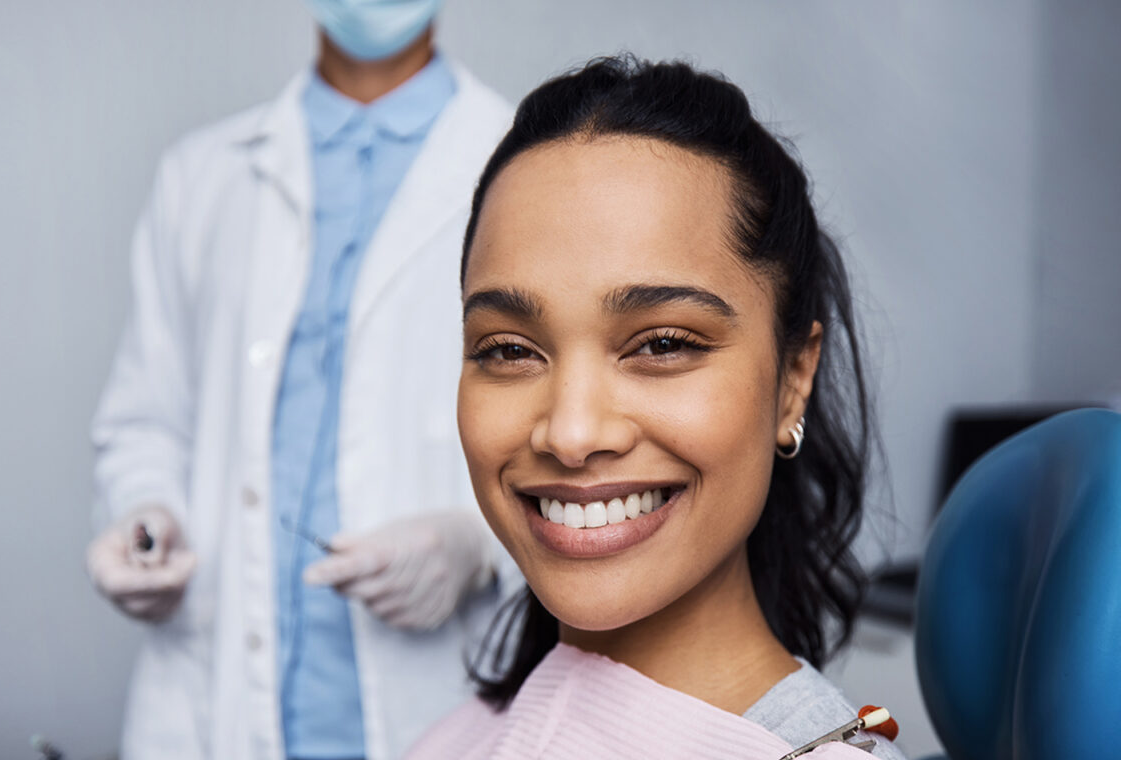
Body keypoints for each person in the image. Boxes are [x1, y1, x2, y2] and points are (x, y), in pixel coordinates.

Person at [405, 56, 908, 758]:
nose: (572, 434)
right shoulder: (457, 740)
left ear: (794, 377)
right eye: (510, 350)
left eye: (663, 343)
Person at [85, 2, 516, 759]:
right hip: (214, 707)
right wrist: (147, 518)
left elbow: (578, 431)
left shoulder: (520, 164)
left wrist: (480, 546)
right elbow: (147, 421)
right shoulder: (203, 176)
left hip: (439, 705)